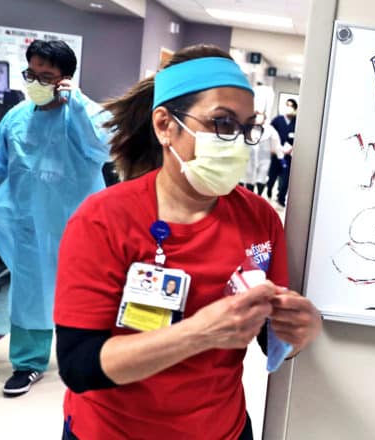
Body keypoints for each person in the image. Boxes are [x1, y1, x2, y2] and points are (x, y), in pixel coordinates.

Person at [54, 44, 322, 440]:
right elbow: (79, 365)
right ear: (165, 126)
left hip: (221, 429)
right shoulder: (104, 219)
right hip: (112, 431)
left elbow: (273, 342)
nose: (236, 142)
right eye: (222, 123)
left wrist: (300, 331)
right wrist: (198, 334)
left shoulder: (259, 219)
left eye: (246, 127)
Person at [0, 39, 110, 397]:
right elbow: (0, 163)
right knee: (31, 292)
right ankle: (28, 363)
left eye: (45, 76)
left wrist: (77, 104)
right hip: (31, 222)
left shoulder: (83, 114)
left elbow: (104, 147)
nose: (35, 82)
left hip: (78, 223)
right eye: (30, 74)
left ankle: (89, 361)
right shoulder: (15, 118)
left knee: (84, 294)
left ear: (65, 79)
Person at [240, 111, 280, 196]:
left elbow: (276, 143)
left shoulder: (270, 130)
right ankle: (249, 196)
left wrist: (278, 154)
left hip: (264, 159)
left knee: (261, 178)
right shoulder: (247, 128)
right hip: (249, 158)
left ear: (265, 119)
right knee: (248, 179)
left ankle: (259, 195)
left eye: (261, 117)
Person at [268, 98, 297, 207]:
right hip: (276, 154)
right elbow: (269, 134)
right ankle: (269, 187)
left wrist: (292, 148)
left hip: (288, 155)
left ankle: (281, 198)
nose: (289, 108)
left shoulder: (297, 122)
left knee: (285, 179)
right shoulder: (277, 120)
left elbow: (299, 138)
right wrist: (272, 149)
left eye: (292, 106)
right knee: (272, 176)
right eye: (287, 105)